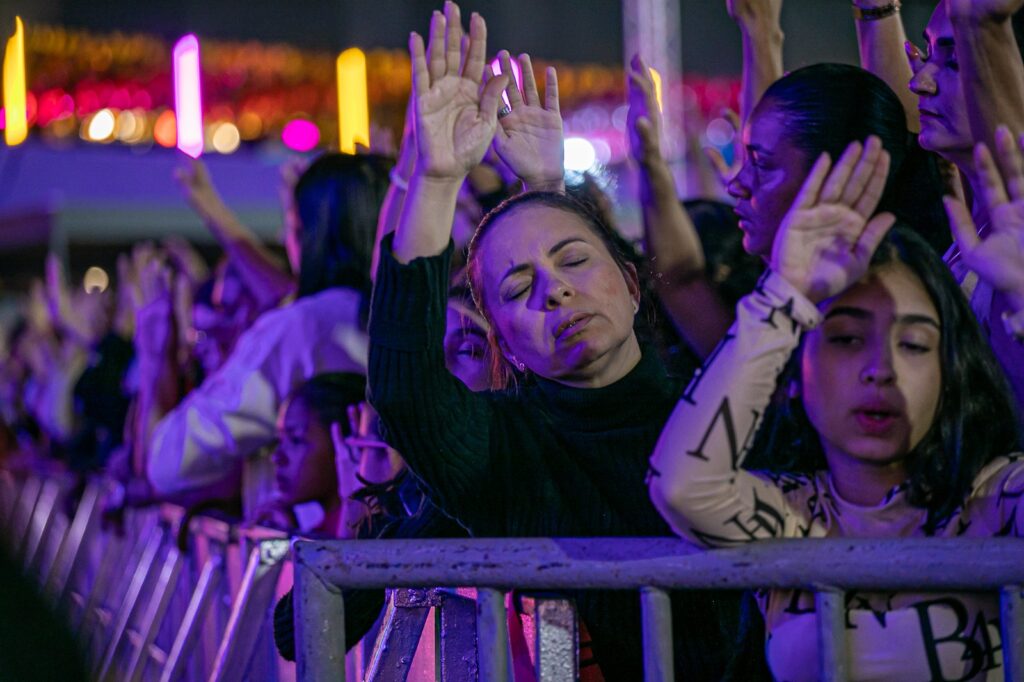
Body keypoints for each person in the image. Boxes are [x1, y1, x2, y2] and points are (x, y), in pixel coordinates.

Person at [367, 4, 742, 678]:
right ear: (503, 345)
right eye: (516, 290)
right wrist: (437, 181)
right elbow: (404, 387)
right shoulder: (502, 451)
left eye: (574, 262)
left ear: (633, 286)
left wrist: (546, 187)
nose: (556, 291)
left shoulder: (720, 409)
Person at [649, 139, 1023, 680]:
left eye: (914, 345)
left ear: (949, 373)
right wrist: (784, 296)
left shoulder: (993, 502)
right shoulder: (794, 517)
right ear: (795, 372)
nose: (881, 369)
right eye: (846, 339)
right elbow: (682, 486)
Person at [630, 57, 950, 361]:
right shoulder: (778, 314)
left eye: (762, 164)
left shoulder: (884, 310)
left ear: (839, 178)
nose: (736, 184)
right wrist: (649, 163)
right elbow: (682, 283)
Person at [143, 153, 389, 507]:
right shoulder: (430, 317)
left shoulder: (298, 326)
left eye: (292, 225)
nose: (285, 237)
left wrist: (155, 352)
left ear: (311, 234)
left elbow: (170, 461)